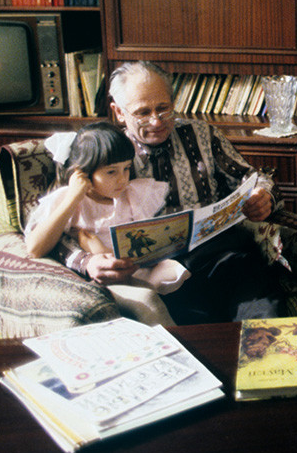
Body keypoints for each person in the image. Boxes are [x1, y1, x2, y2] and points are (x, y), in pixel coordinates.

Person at [55, 61, 287, 324]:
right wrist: (87, 262)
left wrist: (263, 195)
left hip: (223, 256)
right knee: (195, 336)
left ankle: (270, 360)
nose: (157, 121)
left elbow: (253, 178)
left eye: (164, 108)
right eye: (143, 112)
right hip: (155, 275)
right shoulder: (102, 153)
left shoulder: (202, 134)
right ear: (119, 112)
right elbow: (60, 228)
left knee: (264, 317)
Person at [24, 122, 182, 326]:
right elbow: (35, 248)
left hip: (143, 270)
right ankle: (175, 353)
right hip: (105, 279)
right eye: (111, 172)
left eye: (126, 169)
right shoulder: (69, 200)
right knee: (148, 301)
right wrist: (73, 196)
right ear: (83, 172)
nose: (122, 180)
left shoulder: (135, 194)